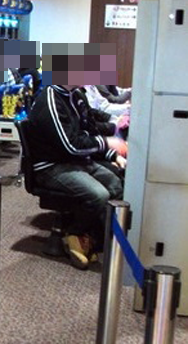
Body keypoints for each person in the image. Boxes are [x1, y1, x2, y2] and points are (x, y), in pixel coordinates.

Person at [27, 84, 126, 270]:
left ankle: (93, 238)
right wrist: (107, 143)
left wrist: (111, 154)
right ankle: (74, 233)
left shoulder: (76, 95)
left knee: (115, 184)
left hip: (75, 161)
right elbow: (70, 145)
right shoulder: (50, 100)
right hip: (51, 167)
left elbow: (89, 132)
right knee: (99, 195)